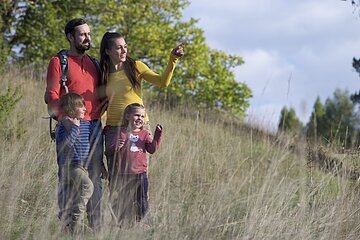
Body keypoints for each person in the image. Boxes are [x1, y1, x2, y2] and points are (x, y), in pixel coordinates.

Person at [46, 18, 107, 230]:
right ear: (70, 37)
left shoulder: (95, 64)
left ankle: (96, 228)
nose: (87, 38)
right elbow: (51, 96)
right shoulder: (58, 62)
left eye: (89, 34)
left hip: (94, 128)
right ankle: (68, 227)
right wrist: (64, 118)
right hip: (70, 128)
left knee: (95, 179)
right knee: (68, 178)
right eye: (82, 34)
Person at [99, 31, 184, 183]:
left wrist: (173, 59)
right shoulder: (103, 73)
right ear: (107, 51)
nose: (124, 50)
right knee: (116, 183)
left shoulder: (136, 66)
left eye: (125, 46)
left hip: (139, 128)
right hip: (114, 130)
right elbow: (101, 104)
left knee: (138, 180)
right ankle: (118, 208)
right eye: (119, 48)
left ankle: (140, 207)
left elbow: (162, 82)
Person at [106, 103, 162, 227]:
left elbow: (152, 149)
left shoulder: (145, 134)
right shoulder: (122, 133)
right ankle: (124, 225)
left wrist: (157, 135)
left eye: (142, 116)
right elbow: (109, 151)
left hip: (140, 174)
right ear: (127, 116)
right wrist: (116, 147)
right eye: (137, 115)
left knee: (142, 199)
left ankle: (144, 223)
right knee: (124, 201)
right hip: (124, 174)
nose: (140, 119)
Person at [56, 93, 93, 233]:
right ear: (71, 109)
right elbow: (65, 147)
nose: (85, 109)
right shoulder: (64, 126)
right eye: (81, 106)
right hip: (70, 166)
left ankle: (67, 224)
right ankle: (75, 222)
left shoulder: (84, 124)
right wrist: (74, 129)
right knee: (87, 186)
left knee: (74, 196)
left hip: (82, 166)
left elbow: (89, 144)